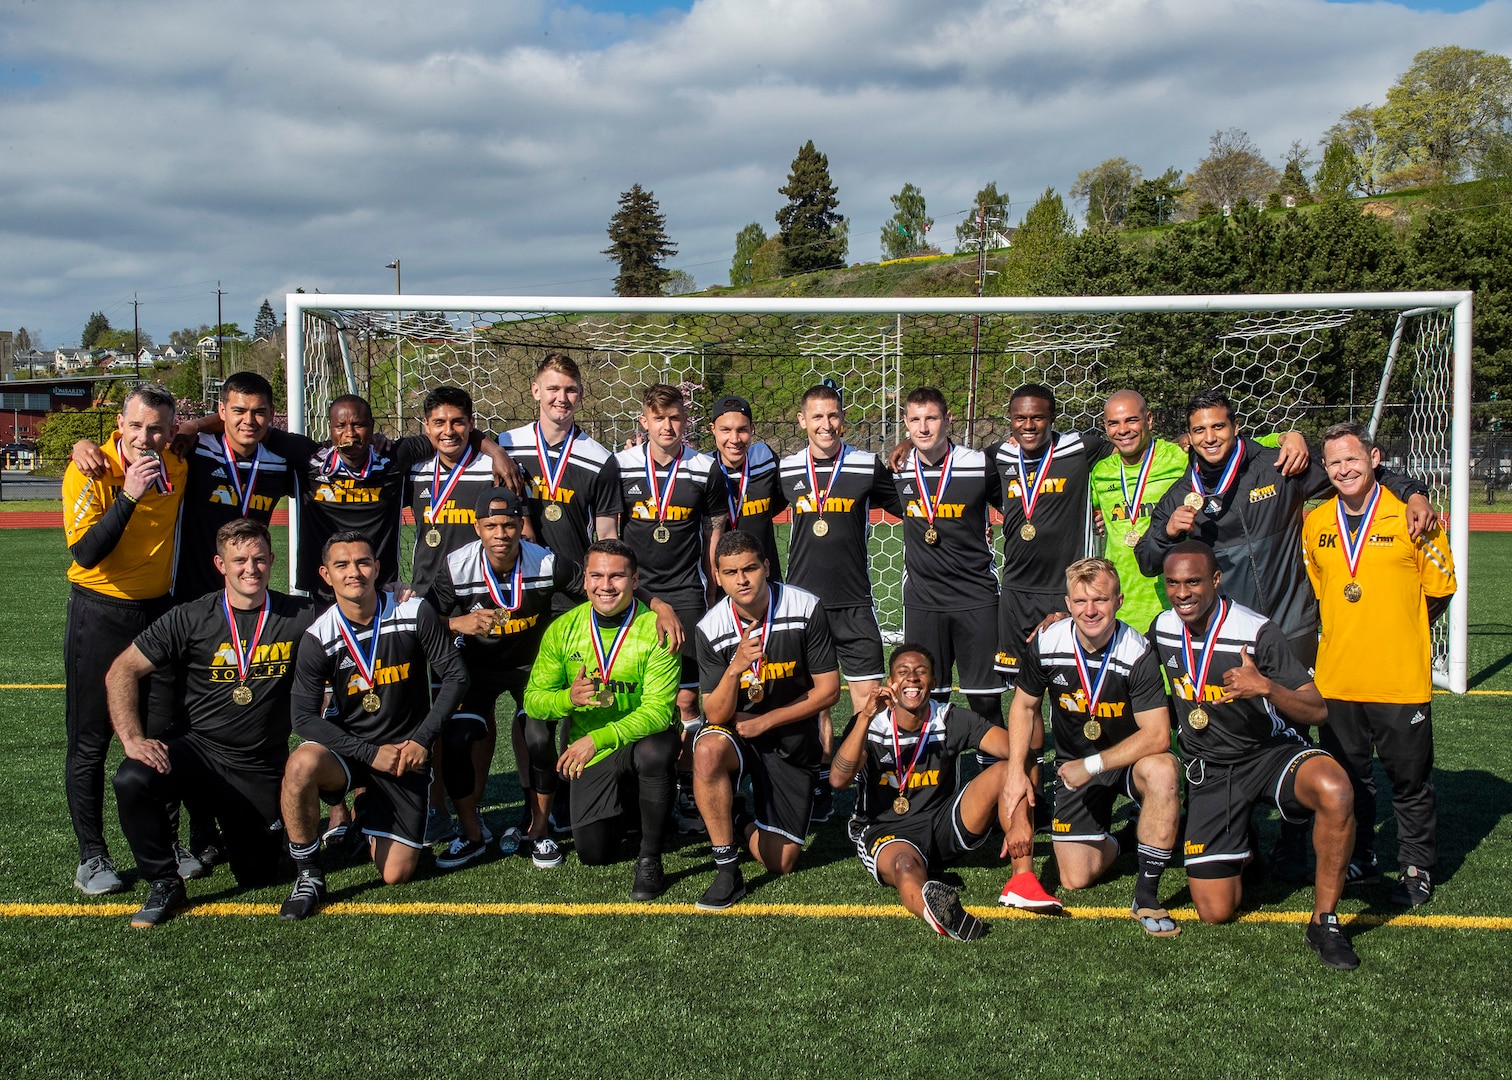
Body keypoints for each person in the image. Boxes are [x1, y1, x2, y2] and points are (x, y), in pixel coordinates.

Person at [1136, 389, 1434, 881]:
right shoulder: (1179, 491)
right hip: (1229, 639)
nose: (1211, 437)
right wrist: (1167, 533)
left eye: (1220, 427)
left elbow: (1355, 473)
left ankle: (1302, 847)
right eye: (1200, 430)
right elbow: (1149, 559)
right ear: (1188, 438)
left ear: (1235, 428)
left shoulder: (1281, 464)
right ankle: (1241, 843)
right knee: (1238, 734)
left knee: (1305, 735)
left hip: (1292, 628)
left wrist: (1414, 491)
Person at [1151, 541, 1360, 969]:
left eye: (1193, 581)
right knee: (1215, 911)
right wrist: (1064, 621)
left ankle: (1326, 921)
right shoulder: (1163, 627)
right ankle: (1243, 847)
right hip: (1208, 769)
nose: (1182, 593)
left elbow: (1317, 708)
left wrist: (1266, 687)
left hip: (1267, 754)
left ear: (1215, 580)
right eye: (1173, 583)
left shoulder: (1256, 630)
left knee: (1336, 790)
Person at [106, 520, 318, 927]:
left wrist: (400, 595)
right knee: (132, 778)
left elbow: (357, 612)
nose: (250, 569)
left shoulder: (299, 613)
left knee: (258, 875)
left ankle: (233, 838)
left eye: (259, 559)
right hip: (197, 753)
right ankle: (164, 881)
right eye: (239, 560)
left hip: (257, 764)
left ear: (272, 561)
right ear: (220, 564)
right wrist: (132, 739)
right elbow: (121, 670)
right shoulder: (190, 616)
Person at [278, 532, 470, 920]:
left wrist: (421, 740)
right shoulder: (319, 637)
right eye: (342, 566)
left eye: (363, 563)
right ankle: (309, 874)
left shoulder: (413, 612)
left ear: (378, 568)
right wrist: (367, 753)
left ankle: (365, 810)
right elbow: (302, 718)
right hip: (350, 750)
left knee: (395, 874)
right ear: (325, 575)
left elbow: (456, 678)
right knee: (300, 766)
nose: (355, 572)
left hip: (404, 753)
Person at [1303, 423, 1456, 905]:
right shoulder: (1316, 522)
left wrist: (1397, 629)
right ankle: (1361, 856)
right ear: (1325, 469)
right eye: (1334, 463)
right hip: (1338, 677)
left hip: (1398, 677)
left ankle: (1416, 866)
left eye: (1352, 459)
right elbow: (1320, 588)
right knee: (1348, 779)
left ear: (1374, 457)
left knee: (1409, 783)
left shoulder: (1415, 516)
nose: (1344, 469)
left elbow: (1440, 590)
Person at [1003, 558, 1182, 934]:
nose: (1090, 610)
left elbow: (1157, 735)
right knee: (1074, 877)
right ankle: (1130, 835)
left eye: (1100, 600)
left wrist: (1094, 765)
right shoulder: (1048, 642)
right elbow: (1023, 705)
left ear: (1118, 600)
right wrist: (1016, 772)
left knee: (1164, 769)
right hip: (1075, 762)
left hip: (1132, 757)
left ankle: (1147, 895)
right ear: (1067, 603)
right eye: (1081, 601)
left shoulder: (1137, 652)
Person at [61, 383, 187, 894]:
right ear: (119, 423)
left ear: (172, 430)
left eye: (157, 427)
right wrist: (130, 492)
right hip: (99, 612)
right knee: (91, 739)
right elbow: (87, 553)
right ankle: (92, 857)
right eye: (136, 426)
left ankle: (166, 844)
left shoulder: (178, 458)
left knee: (163, 733)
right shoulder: (89, 469)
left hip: (157, 615)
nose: (145, 436)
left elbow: (221, 425)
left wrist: (195, 429)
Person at [830, 644, 1031, 941]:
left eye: (921, 672)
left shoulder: (949, 719)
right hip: (885, 830)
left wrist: (1022, 816)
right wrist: (863, 718)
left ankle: (1024, 880)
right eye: (903, 672)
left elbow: (1017, 750)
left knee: (1006, 770)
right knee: (904, 867)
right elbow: (838, 779)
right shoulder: (870, 726)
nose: (912, 678)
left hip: (943, 824)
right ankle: (937, 913)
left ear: (934, 683)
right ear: (890, 683)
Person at [523, 540, 683, 900]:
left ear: (635, 579)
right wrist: (568, 698)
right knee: (594, 854)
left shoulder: (657, 628)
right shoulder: (563, 629)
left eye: (616, 576)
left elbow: (658, 710)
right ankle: (638, 809)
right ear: (584, 581)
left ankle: (650, 858)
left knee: (655, 752)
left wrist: (599, 738)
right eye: (596, 575)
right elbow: (533, 700)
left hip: (636, 741)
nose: (605, 585)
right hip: (590, 750)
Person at [691, 531, 839, 909]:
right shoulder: (710, 627)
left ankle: (737, 813)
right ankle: (727, 869)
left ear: (766, 567)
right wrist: (736, 667)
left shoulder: (804, 607)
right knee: (706, 748)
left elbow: (828, 691)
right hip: (736, 732)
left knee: (782, 862)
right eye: (731, 572)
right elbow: (715, 713)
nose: (742, 579)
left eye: (750, 568)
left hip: (788, 733)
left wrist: (768, 720)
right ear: (718, 577)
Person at [777, 384, 902, 821]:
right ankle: (817, 784)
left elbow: (913, 505)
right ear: (802, 421)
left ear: (842, 418)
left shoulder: (866, 465)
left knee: (869, 700)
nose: (826, 425)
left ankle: (871, 787)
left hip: (854, 603)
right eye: (817, 417)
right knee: (816, 701)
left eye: (833, 416)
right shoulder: (787, 468)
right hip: (803, 606)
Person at [1088, 390, 1307, 633]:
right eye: (1114, 423)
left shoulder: (1180, 455)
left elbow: (1238, 447)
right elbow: (1100, 516)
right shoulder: (1100, 472)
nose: (1123, 429)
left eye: (1131, 420)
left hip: (1177, 597)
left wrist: (1288, 436)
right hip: (1121, 600)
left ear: (1149, 420)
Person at [613, 384, 726, 830]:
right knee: (634, 691)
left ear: (685, 421)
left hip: (688, 594)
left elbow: (715, 531)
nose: (667, 426)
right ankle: (629, 786)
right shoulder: (620, 465)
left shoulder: (704, 468)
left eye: (675, 417)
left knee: (685, 696)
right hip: (636, 594)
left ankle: (684, 787)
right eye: (658, 418)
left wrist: (713, 592)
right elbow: (607, 528)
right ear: (644, 421)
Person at [708, 395, 786, 578]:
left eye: (742, 430)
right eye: (725, 430)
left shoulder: (766, 460)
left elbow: (780, 500)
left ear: (752, 429)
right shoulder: (703, 468)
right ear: (713, 430)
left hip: (765, 577)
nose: (734, 439)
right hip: (719, 580)